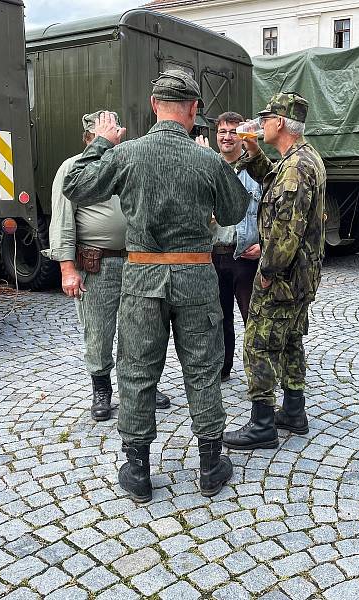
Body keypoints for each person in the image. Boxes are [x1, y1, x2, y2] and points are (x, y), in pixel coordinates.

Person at [62, 70, 251, 502]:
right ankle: (209, 465)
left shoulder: (128, 153)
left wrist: (102, 140)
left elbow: (76, 184)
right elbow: (234, 212)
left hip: (142, 276)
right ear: (193, 110)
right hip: (196, 276)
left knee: (137, 370)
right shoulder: (207, 160)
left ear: (153, 106)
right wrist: (230, 161)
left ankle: (138, 469)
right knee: (203, 369)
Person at [43, 111, 171, 422]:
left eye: (115, 134)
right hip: (97, 264)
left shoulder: (125, 162)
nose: (115, 139)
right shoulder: (73, 168)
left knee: (141, 329)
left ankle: (141, 387)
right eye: (105, 135)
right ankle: (102, 391)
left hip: (137, 260)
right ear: (91, 138)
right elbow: (61, 221)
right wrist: (67, 269)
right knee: (99, 332)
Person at [222, 92, 326, 451]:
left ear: (280, 123)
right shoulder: (302, 158)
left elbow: (286, 230)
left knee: (258, 343)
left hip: (283, 277)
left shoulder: (296, 168)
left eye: (265, 119)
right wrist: (253, 153)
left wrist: (266, 270)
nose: (259, 124)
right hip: (302, 276)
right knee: (291, 339)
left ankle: (262, 423)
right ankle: (294, 411)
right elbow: (275, 184)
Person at [205, 112, 262, 382]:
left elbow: (270, 213)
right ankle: (223, 369)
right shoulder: (207, 167)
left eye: (232, 131)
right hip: (215, 256)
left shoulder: (255, 170)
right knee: (219, 320)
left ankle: (258, 375)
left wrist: (264, 243)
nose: (227, 137)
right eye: (222, 131)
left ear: (242, 136)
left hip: (245, 257)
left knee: (253, 319)